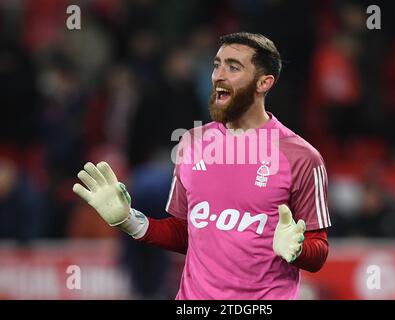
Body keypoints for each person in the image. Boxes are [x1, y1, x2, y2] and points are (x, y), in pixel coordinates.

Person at [73, 32, 331, 300]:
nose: (218, 75)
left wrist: (298, 251)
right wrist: (130, 221)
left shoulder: (301, 157)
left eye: (233, 67)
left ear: (264, 83)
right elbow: (187, 233)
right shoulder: (191, 144)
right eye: (216, 65)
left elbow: (319, 251)